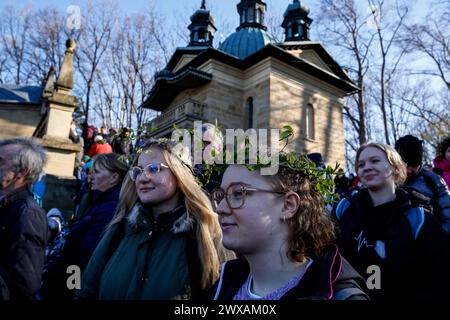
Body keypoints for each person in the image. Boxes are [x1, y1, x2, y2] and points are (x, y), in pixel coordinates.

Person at [76, 138, 230, 300]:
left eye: (154, 169)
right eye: (138, 171)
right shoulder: (119, 229)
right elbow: (86, 291)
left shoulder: (205, 233)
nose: (143, 178)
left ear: (179, 175)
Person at [210, 158, 369, 300]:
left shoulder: (341, 295)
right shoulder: (219, 287)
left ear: (288, 205)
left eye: (238, 193)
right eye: (221, 196)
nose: (220, 209)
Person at [334, 143, 450, 300]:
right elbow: (332, 263)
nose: (366, 167)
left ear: (396, 167)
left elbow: (439, 278)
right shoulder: (344, 210)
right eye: (361, 164)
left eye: (375, 161)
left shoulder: (418, 218)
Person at [41, 153, 129, 300]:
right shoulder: (100, 200)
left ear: (114, 178)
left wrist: (67, 288)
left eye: (96, 172)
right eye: (91, 172)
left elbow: (83, 257)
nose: (90, 176)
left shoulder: (110, 208)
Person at [0, 138, 48, 300]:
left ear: (22, 172)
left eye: (1, 161)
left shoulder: (28, 214)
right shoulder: (5, 204)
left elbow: (24, 283)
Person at [395, 135, 450, 234]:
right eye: (404, 165)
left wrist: (440, 238)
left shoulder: (433, 180)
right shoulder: (391, 182)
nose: (408, 170)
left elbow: (448, 212)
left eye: (413, 165)